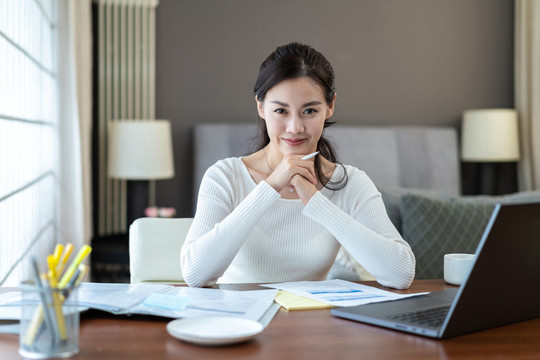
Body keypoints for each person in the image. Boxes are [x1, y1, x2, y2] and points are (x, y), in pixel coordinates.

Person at [181, 42, 415, 289]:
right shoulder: (225, 177)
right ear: (261, 107)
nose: (295, 127)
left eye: (309, 111)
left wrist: (316, 201)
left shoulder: (349, 183)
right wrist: (269, 188)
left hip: (312, 323)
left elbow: (400, 274)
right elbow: (195, 274)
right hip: (241, 322)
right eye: (281, 110)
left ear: (330, 106)